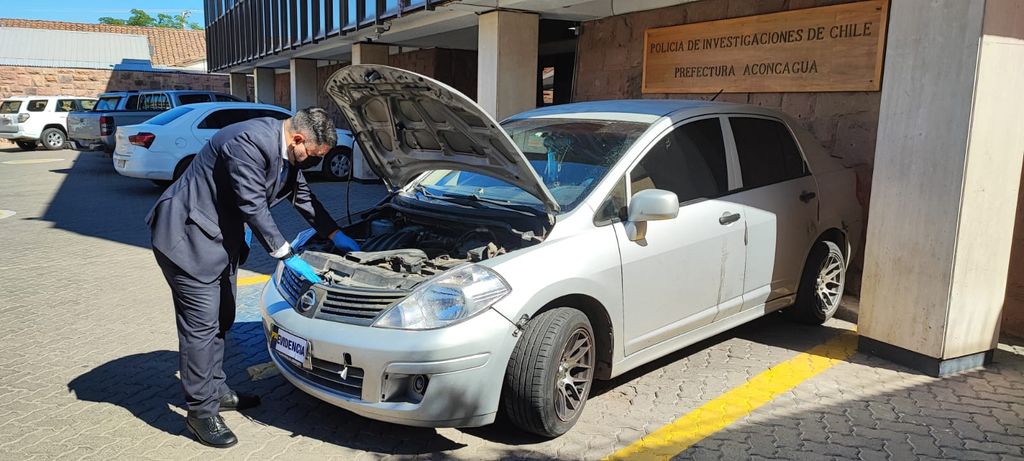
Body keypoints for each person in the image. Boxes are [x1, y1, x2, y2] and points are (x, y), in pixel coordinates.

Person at [146, 107, 360, 448]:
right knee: (200, 327)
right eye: (311, 157)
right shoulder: (246, 141)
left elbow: (303, 197)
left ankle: (215, 388)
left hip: (220, 241)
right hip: (187, 238)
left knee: (223, 316)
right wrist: (286, 254)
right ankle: (201, 412)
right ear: (298, 139)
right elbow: (253, 206)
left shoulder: (288, 152)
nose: (309, 164)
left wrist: (334, 234)